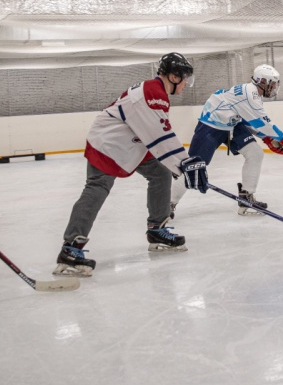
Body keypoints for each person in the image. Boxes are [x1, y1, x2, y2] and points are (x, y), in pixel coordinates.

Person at [53, 52, 208, 277]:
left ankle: (157, 229)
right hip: (109, 143)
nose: (186, 85)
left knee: (160, 175)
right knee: (97, 187)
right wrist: (184, 164)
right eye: (186, 79)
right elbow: (160, 135)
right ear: (174, 76)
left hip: (131, 142)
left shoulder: (155, 91)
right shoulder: (153, 93)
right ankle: (70, 248)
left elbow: (155, 133)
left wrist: (179, 165)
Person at [171, 64, 283, 217]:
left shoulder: (254, 95)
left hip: (232, 124)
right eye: (272, 84)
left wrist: (266, 138)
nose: (274, 88)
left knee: (255, 153)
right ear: (263, 82)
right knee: (195, 167)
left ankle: (247, 196)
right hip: (211, 126)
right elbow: (262, 122)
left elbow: (249, 120)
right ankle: (169, 203)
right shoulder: (250, 95)